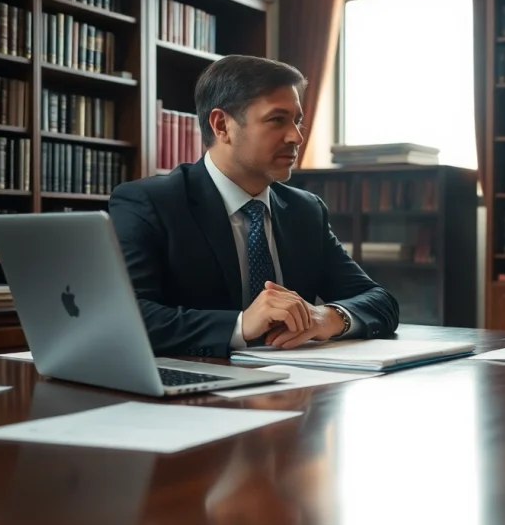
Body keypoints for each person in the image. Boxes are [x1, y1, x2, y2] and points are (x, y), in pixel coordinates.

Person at [109, 55, 399, 358]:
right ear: (222, 125)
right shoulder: (148, 204)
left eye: (297, 120)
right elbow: (128, 318)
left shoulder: (305, 211)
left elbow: (380, 300)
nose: (296, 137)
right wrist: (241, 324)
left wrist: (328, 318)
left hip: (298, 384)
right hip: (193, 387)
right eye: (277, 120)